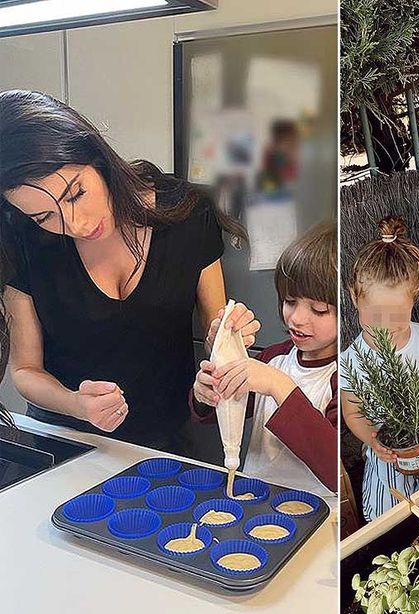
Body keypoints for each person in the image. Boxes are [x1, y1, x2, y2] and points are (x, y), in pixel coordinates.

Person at [0, 90, 257, 452]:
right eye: (44, 216)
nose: (75, 224)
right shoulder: (23, 240)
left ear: (97, 157)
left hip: (166, 442)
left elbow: (216, 330)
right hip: (68, 444)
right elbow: (25, 369)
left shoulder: (185, 214)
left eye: (76, 194)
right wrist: (76, 403)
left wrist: (230, 332)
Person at [192, 222, 338, 498]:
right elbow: (225, 410)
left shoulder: (341, 377)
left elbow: (332, 466)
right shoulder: (274, 358)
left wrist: (278, 386)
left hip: (317, 513)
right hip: (255, 499)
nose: (296, 318)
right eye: (290, 301)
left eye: (318, 310)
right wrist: (207, 394)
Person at [340, 216, 419, 521]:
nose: (386, 326)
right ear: (354, 297)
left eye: (398, 315)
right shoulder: (350, 360)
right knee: (386, 516)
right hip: (387, 451)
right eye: (376, 315)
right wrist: (372, 441)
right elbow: (353, 412)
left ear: (414, 299)